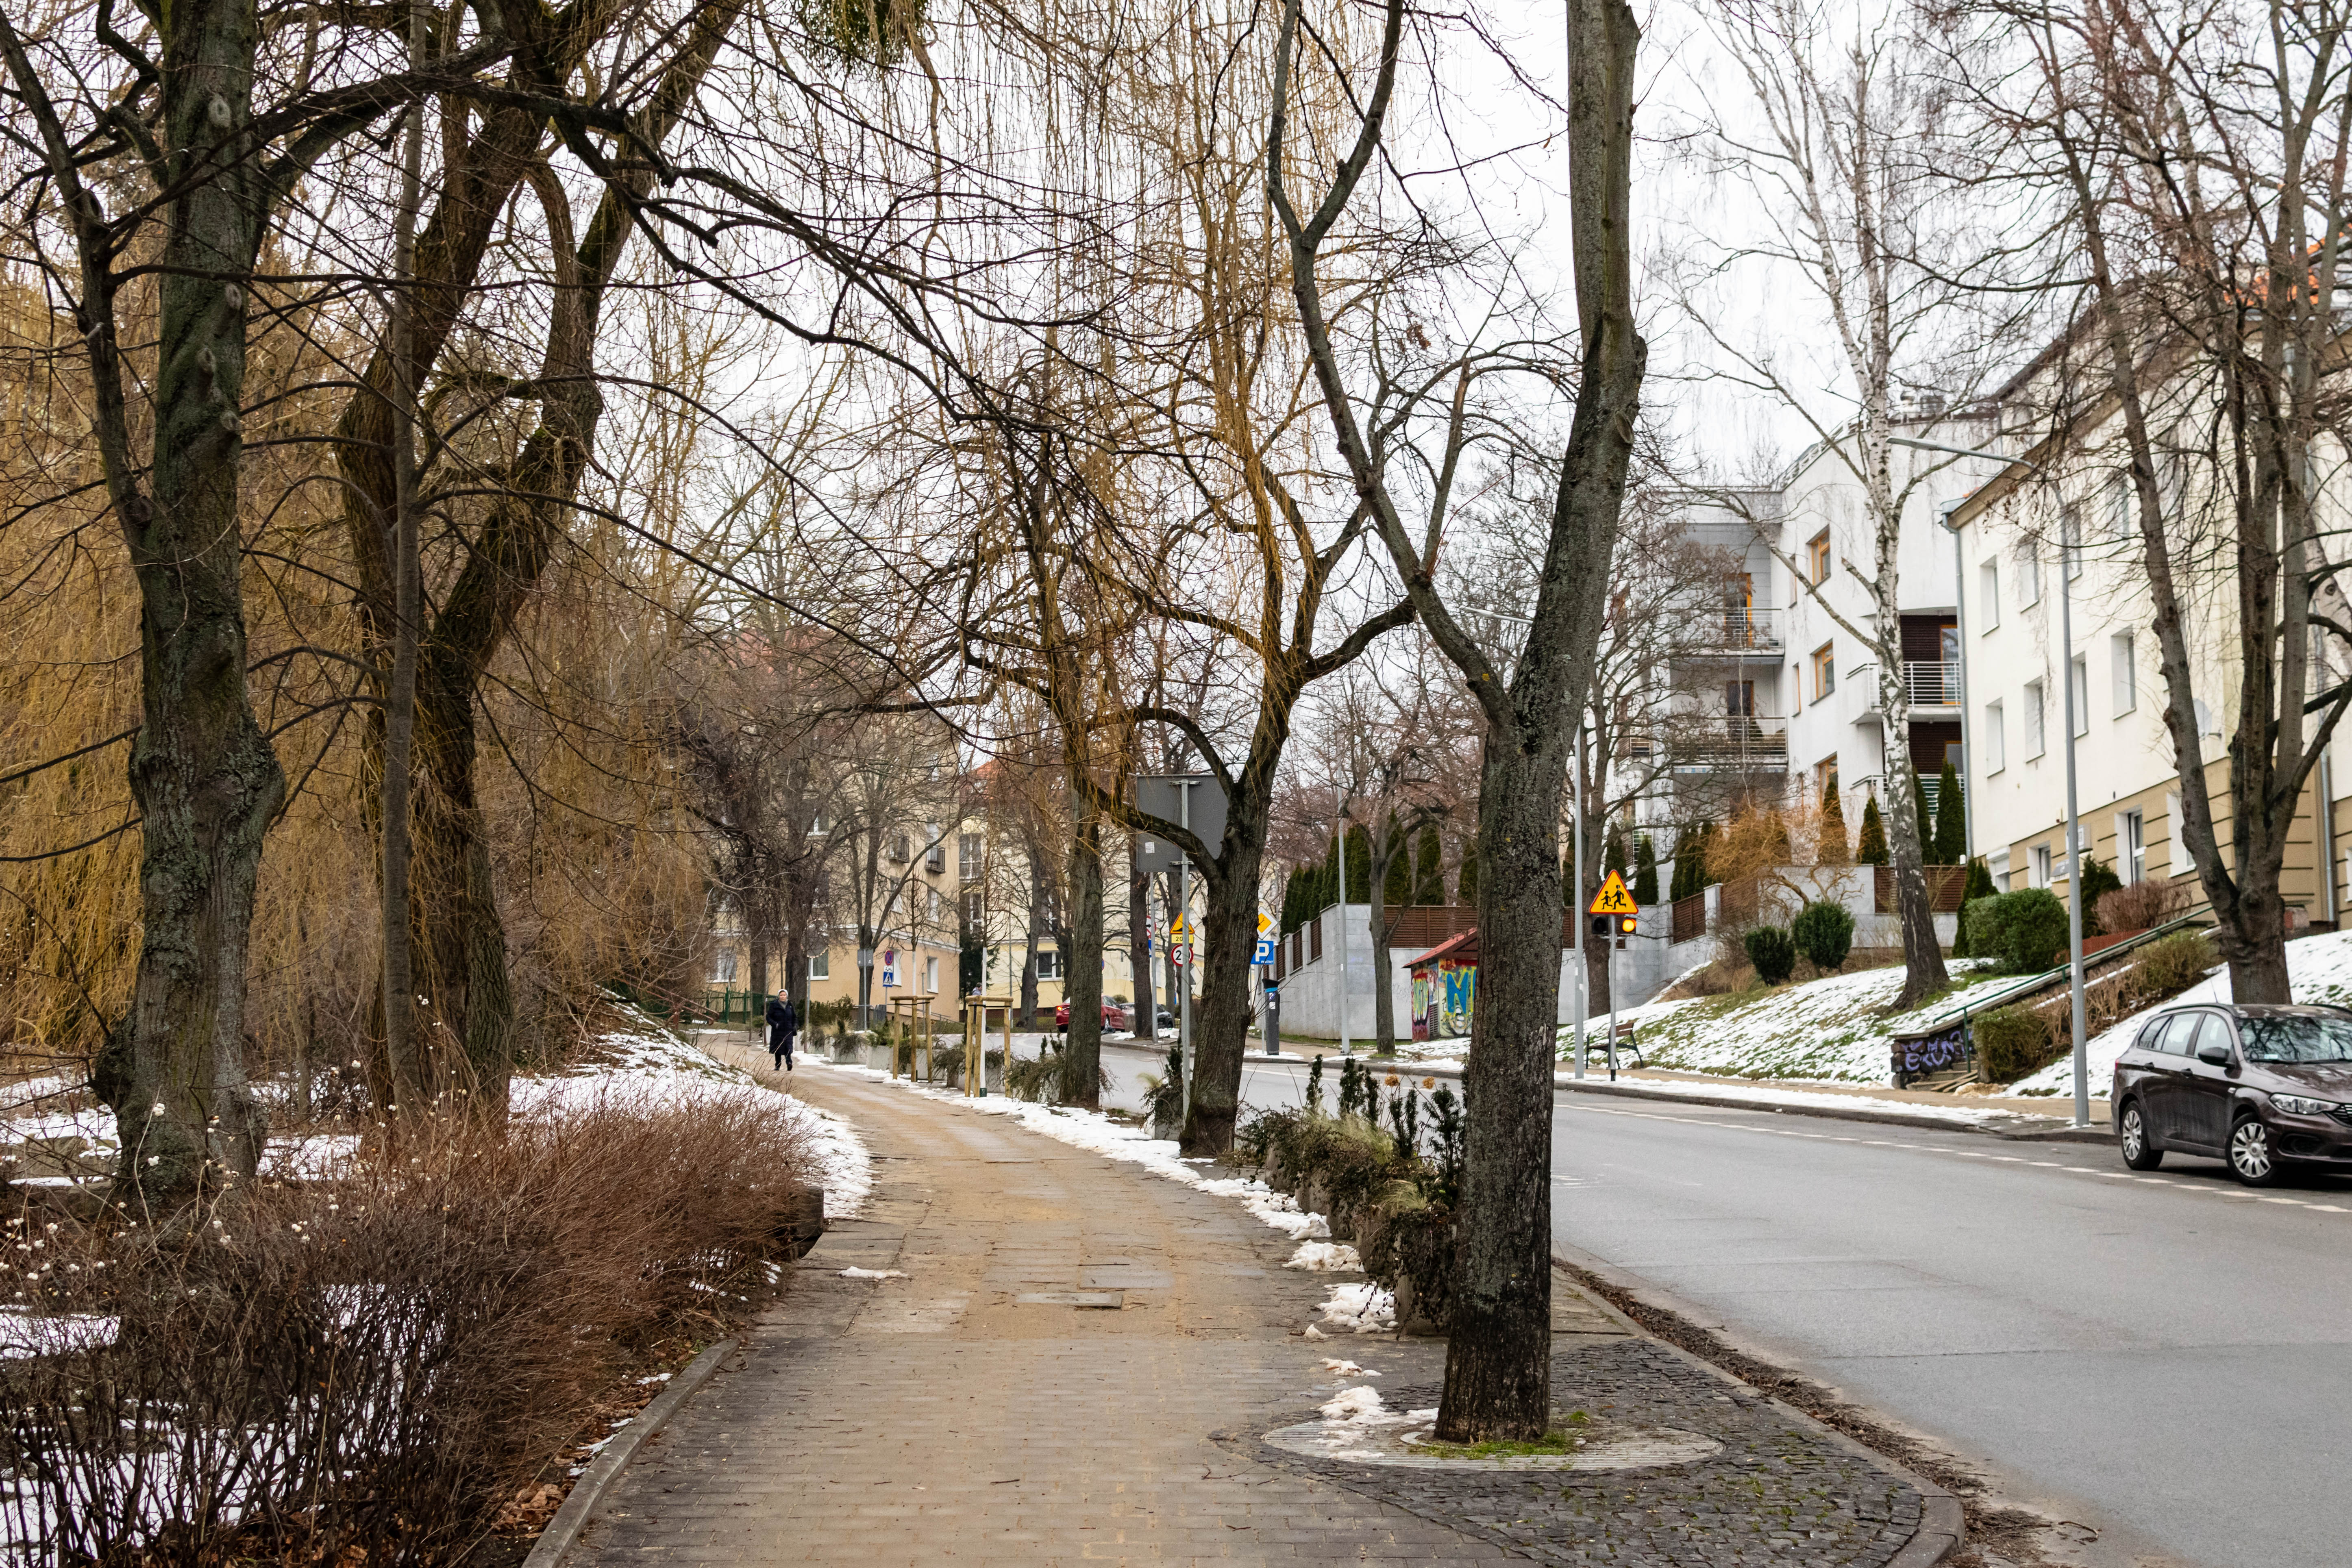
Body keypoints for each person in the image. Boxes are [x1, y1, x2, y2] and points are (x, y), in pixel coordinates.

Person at [765, 992, 797, 1072]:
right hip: (778, 1031)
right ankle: (778, 1065)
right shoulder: (774, 1005)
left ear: (787, 996)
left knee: (788, 1047)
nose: (783, 997)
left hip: (788, 1030)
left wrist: (795, 1026)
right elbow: (768, 1017)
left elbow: (794, 1017)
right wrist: (775, 1024)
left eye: (784, 995)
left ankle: (789, 1063)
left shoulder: (790, 1005)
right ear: (779, 996)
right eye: (781, 995)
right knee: (778, 1049)